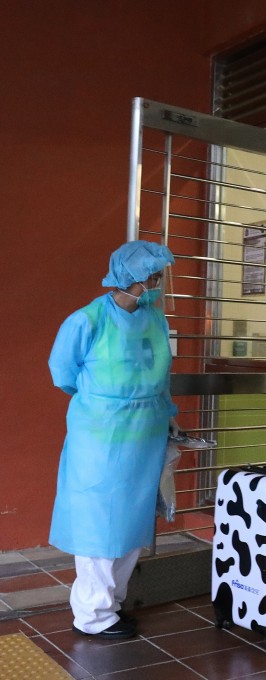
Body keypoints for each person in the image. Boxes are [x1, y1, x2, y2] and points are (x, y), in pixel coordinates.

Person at [48, 240, 179, 640]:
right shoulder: (86, 321)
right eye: (153, 276)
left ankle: (112, 606)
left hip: (147, 433)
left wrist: (168, 419)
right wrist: (110, 402)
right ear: (132, 277)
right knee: (98, 527)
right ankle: (92, 614)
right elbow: (63, 374)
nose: (158, 283)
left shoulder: (154, 320)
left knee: (132, 525)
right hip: (101, 438)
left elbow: (160, 373)